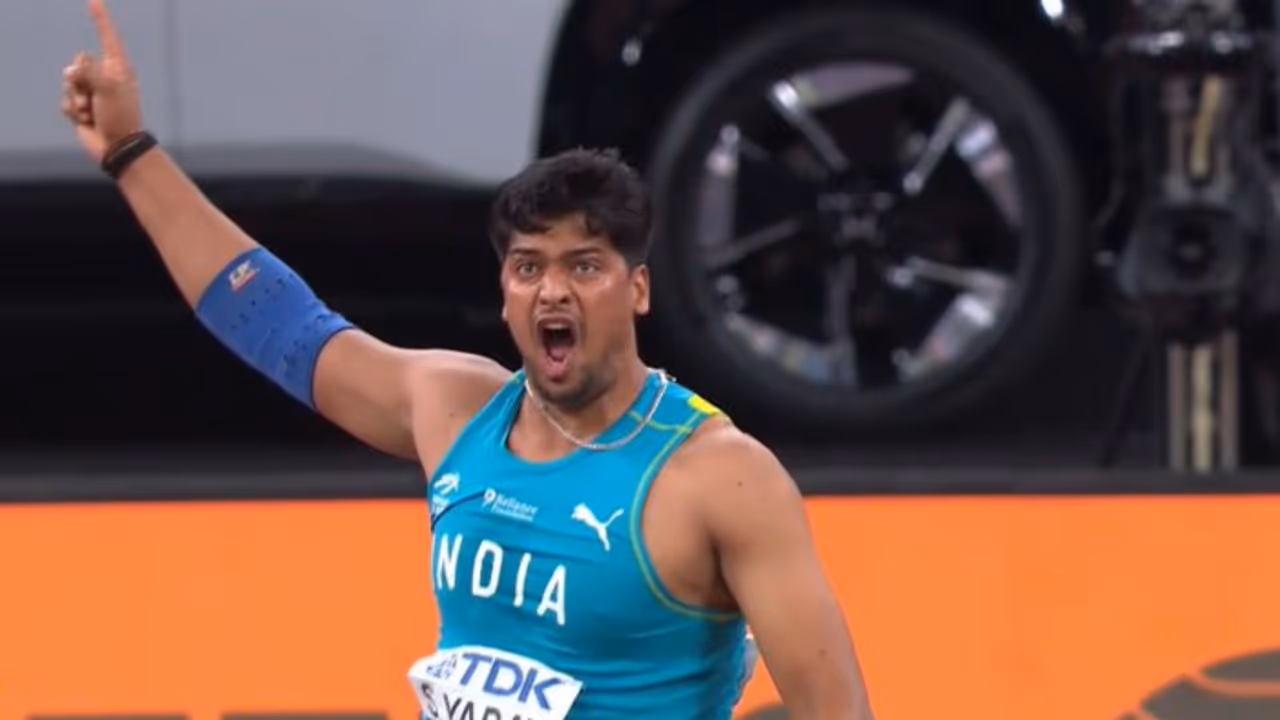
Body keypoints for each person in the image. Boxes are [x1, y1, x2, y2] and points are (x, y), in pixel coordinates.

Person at [59, 1, 876, 718]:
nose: (553, 291)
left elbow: (836, 711)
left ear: (637, 290)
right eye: (529, 267)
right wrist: (132, 152)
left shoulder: (720, 478)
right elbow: (276, 323)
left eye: (584, 266)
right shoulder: (455, 410)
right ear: (505, 293)